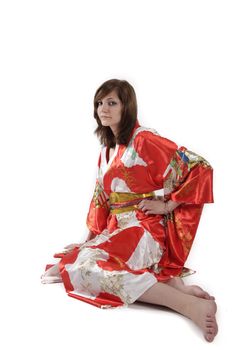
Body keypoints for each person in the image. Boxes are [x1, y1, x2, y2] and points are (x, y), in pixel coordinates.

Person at [41, 79, 218, 342]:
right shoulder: (106, 150)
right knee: (63, 268)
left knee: (86, 268)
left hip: (144, 227)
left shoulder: (144, 140)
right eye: (99, 103)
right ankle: (174, 285)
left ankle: (185, 304)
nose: (103, 108)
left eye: (112, 102)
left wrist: (168, 204)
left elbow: (198, 166)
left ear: (127, 107)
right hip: (119, 228)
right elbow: (101, 199)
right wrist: (87, 241)